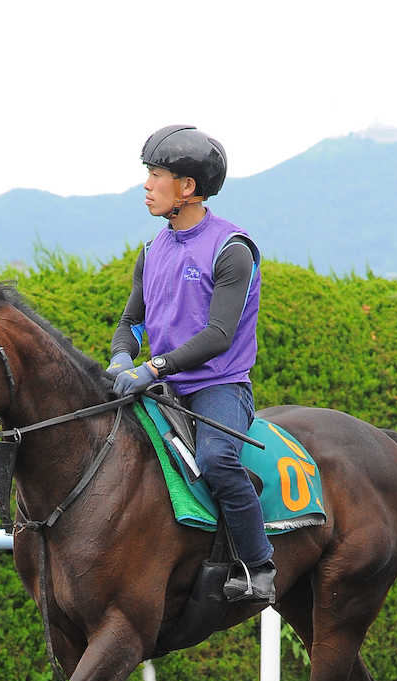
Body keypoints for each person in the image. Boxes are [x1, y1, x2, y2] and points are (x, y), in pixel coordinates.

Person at [107, 124, 275, 603]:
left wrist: (153, 369)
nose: (146, 185)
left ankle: (259, 565)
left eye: (156, 175)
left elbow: (219, 336)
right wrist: (122, 358)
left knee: (217, 460)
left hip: (217, 387)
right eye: (148, 174)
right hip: (159, 385)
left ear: (187, 188)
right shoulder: (150, 251)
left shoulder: (233, 249)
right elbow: (131, 323)